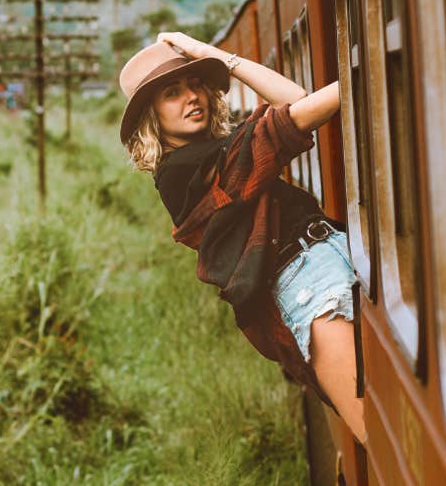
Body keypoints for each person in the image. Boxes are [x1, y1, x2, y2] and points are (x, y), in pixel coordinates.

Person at [117, 32, 366, 443]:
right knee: (381, 434)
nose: (192, 97)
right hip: (309, 286)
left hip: (335, 252)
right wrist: (369, 65)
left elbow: (294, 98)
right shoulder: (179, 173)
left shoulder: (218, 148)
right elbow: (295, 116)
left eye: (196, 83)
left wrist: (214, 56)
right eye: (172, 93)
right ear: (152, 116)